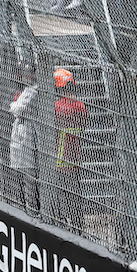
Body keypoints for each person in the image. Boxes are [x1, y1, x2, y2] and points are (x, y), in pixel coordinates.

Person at [50, 68, 89, 230]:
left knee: (60, 194)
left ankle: (61, 223)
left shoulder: (57, 106)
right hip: (75, 156)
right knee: (75, 193)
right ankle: (78, 224)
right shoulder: (80, 106)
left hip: (58, 157)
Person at [9, 68, 40, 217]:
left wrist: (14, 106)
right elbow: (15, 107)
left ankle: (32, 212)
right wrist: (15, 106)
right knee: (20, 178)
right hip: (21, 139)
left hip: (28, 139)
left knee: (29, 180)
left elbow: (18, 109)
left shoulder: (34, 91)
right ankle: (24, 209)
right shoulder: (26, 90)